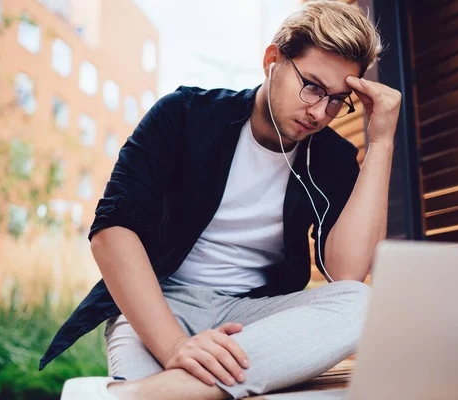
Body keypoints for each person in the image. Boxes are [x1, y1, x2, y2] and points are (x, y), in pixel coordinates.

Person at [48, 1, 401, 398]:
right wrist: (175, 347)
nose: (320, 112)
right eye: (313, 87)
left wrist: (383, 141)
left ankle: (134, 395)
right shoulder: (183, 115)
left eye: (337, 100)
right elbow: (112, 234)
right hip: (162, 306)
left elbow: (348, 273)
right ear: (273, 60)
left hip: (253, 319)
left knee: (362, 303)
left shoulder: (330, 155)